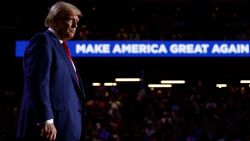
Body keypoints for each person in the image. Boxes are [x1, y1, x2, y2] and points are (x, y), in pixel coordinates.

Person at [16, 1, 85, 141]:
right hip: (50, 129)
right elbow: (38, 83)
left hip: (66, 126)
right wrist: (46, 119)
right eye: (71, 20)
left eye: (77, 21)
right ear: (55, 20)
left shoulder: (61, 47)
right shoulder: (43, 41)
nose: (75, 26)